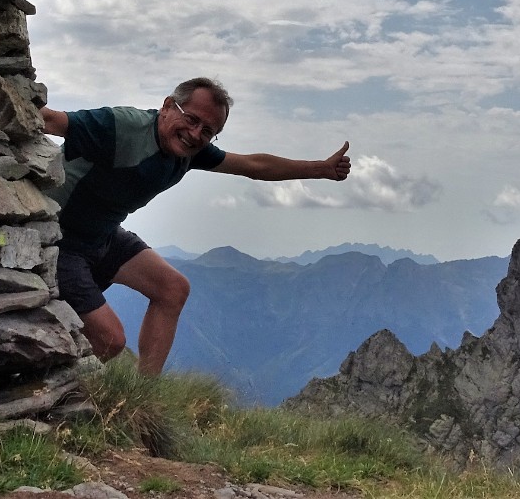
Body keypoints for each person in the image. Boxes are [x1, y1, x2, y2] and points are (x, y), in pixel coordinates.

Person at [40, 76, 352, 375]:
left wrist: (321, 169)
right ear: (167, 106)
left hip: (102, 237)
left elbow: (254, 166)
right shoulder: (121, 127)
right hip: (58, 241)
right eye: (191, 120)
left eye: (208, 130)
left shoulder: (191, 152)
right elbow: (51, 120)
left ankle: (141, 399)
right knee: (110, 341)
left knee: (173, 289)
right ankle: (43, 388)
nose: (195, 134)